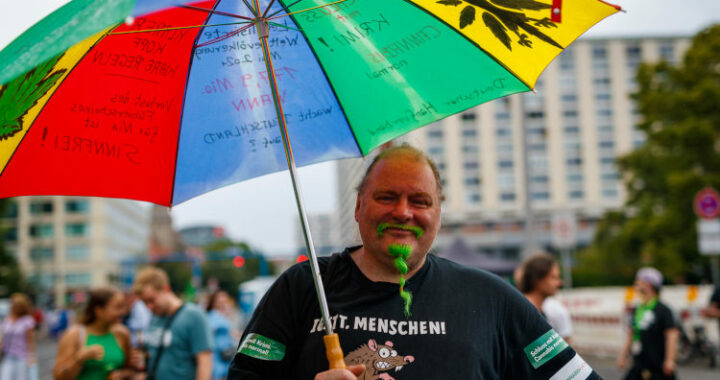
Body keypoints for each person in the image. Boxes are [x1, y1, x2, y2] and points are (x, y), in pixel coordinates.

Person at [228, 144, 601, 379]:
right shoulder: (303, 287)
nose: (403, 212)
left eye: (420, 201)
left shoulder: (491, 299)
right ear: (358, 207)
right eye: (386, 197)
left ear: (438, 214)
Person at [132, 267, 212, 380]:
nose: (149, 306)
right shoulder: (155, 317)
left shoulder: (193, 316)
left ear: (166, 289)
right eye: (145, 302)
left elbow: (204, 363)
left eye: (152, 300)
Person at [53, 286, 134, 380]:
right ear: (99, 311)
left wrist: (123, 374)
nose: (123, 311)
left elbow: (129, 370)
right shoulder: (74, 334)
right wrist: (79, 359)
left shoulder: (122, 333)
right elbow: (59, 376)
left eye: (124, 306)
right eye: (118, 307)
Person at [617, 267, 679, 380]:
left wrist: (670, 360)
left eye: (639, 281)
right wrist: (623, 355)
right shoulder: (638, 309)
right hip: (639, 364)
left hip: (658, 365)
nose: (636, 284)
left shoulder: (663, 310)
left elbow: (672, 335)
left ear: (648, 284)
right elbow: (631, 333)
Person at [516, 253, 573, 343]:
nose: (559, 283)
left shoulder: (539, 311)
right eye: (553, 277)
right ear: (537, 279)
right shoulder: (522, 312)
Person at [0, 293, 36, 380]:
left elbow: (30, 340)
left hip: (22, 357)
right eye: (14, 304)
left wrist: (31, 356)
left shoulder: (28, 320)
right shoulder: (7, 319)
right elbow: (4, 338)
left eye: (18, 305)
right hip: (7, 355)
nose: (15, 307)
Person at [206, 291, 239, 380]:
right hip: (219, 364)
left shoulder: (216, 316)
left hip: (221, 362)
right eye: (220, 300)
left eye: (225, 299)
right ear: (214, 302)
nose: (223, 302)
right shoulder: (215, 316)